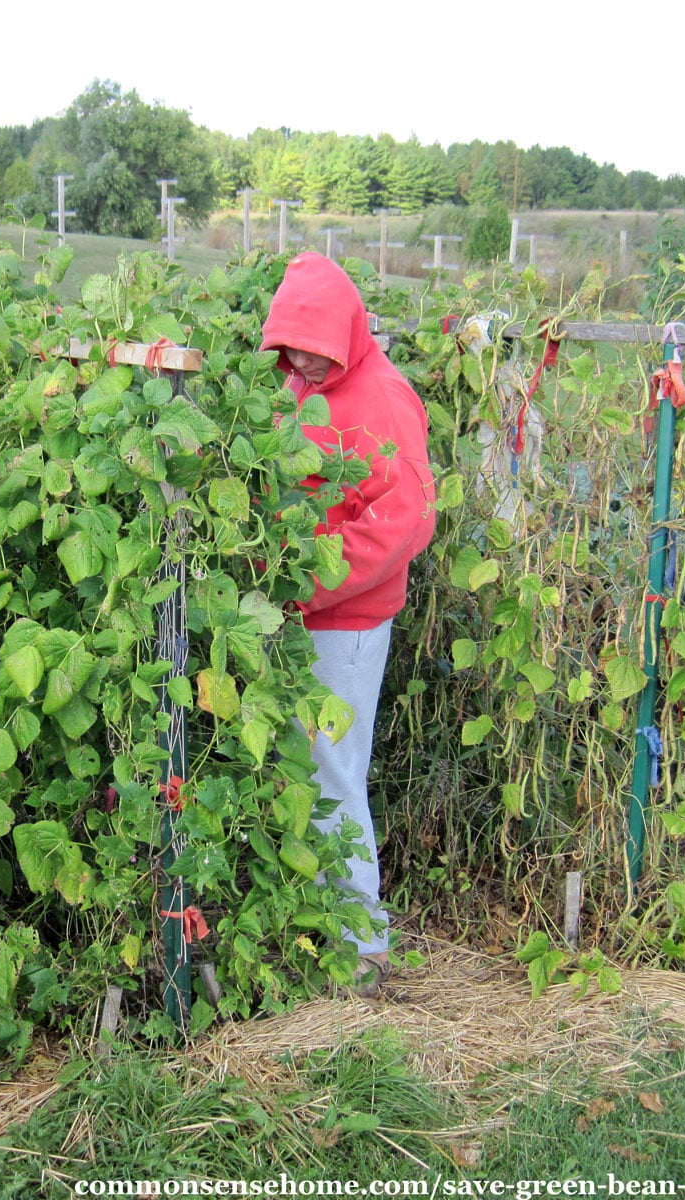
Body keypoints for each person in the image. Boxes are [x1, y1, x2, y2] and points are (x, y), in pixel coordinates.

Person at [259, 252, 436, 996]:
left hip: (348, 622)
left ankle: (362, 948)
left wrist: (303, 577)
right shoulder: (303, 387)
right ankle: (316, 929)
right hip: (299, 613)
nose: (301, 359)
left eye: (315, 346)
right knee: (299, 771)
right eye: (291, 345)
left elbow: (405, 521)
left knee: (331, 774)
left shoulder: (383, 398)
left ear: (347, 332)